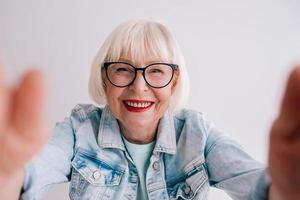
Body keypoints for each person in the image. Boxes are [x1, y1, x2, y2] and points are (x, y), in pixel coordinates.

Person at [0, 19, 299, 200]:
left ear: (174, 81)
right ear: (104, 79)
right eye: (122, 70)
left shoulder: (197, 134)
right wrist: (5, 175)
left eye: (155, 71)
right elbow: (24, 176)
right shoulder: (79, 130)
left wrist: (287, 190)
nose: (139, 86)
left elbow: (261, 187)